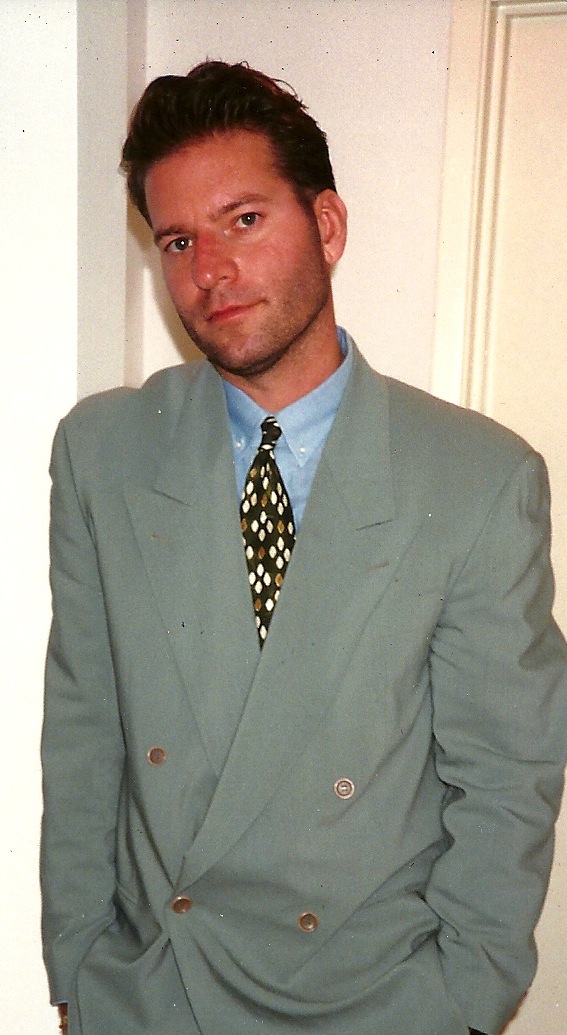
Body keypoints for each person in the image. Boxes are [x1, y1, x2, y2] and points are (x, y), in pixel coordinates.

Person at [41, 60, 567, 1035]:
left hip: (371, 1003)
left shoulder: (477, 478)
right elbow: (83, 733)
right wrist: (77, 970)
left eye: (244, 220)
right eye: (179, 240)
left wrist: (462, 1003)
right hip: (153, 1000)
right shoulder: (103, 451)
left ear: (327, 226)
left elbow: (506, 776)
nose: (210, 271)